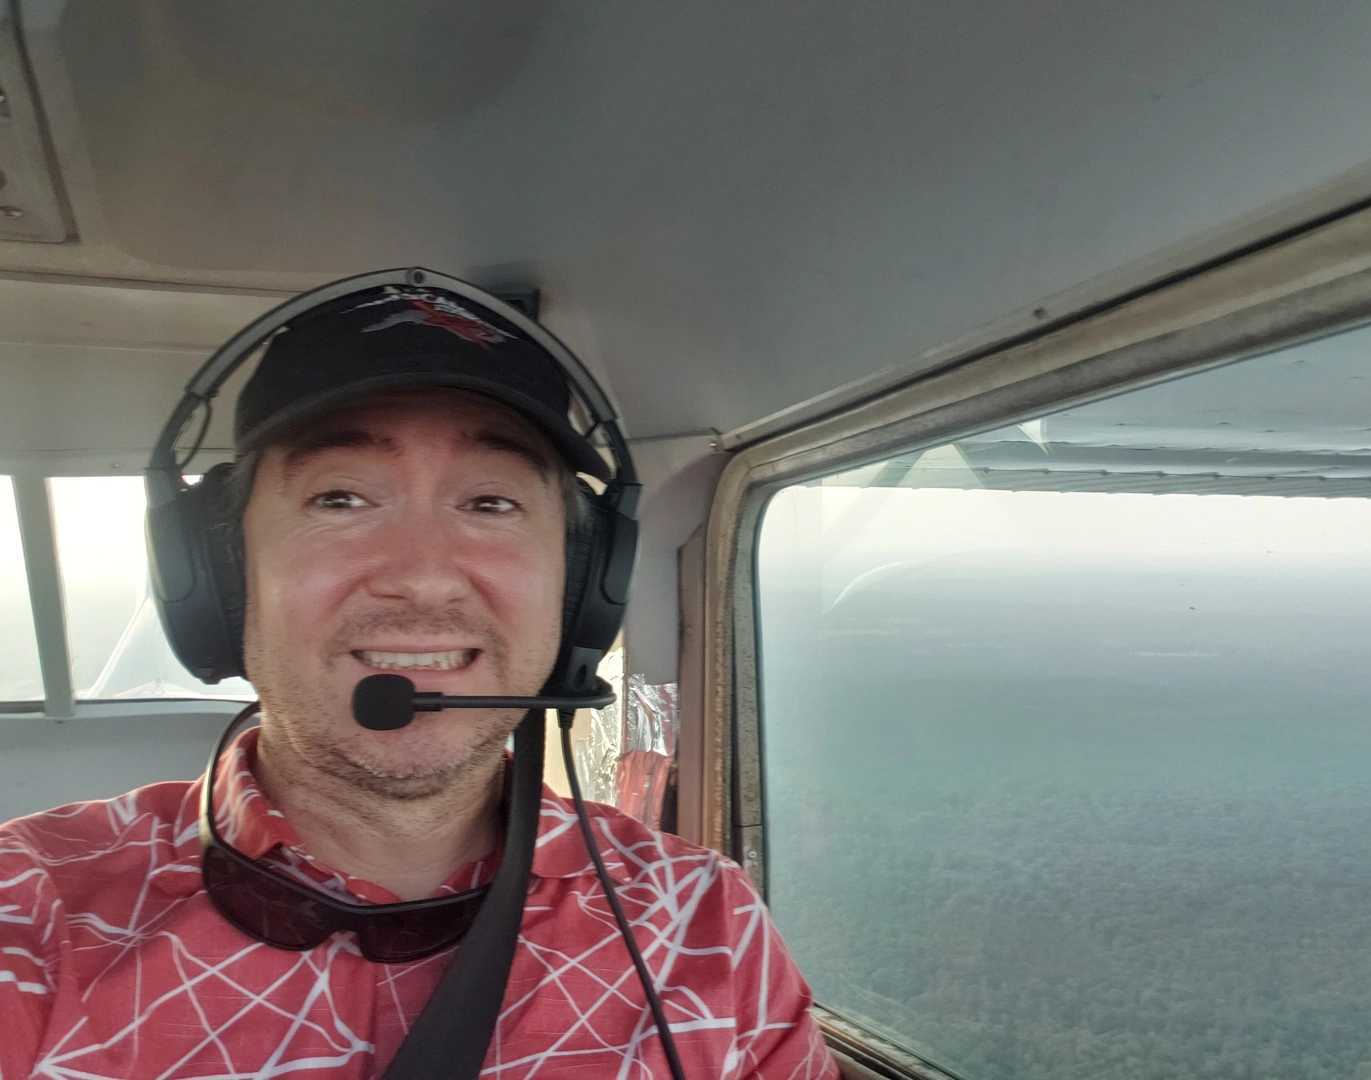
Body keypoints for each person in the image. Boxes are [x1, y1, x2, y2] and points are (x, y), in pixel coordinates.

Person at [0, 278, 838, 1078]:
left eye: (490, 504)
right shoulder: (30, 913)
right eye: (341, 499)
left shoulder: (701, 925)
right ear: (220, 573)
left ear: (583, 585)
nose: (424, 577)